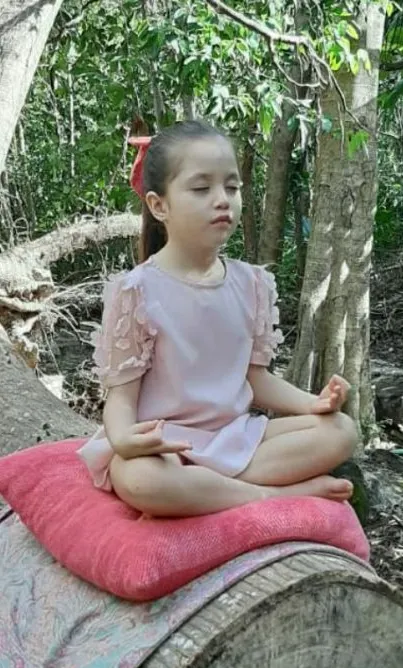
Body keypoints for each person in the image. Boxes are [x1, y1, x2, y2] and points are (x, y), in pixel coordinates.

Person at [78, 120, 357, 517]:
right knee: (138, 478)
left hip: (236, 438)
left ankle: (212, 491)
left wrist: (314, 404)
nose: (222, 199)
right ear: (159, 205)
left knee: (341, 431)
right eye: (201, 188)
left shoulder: (252, 283)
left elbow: (255, 378)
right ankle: (274, 497)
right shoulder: (136, 291)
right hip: (166, 447)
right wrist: (123, 439)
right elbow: (122, 397)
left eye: (232, 186)